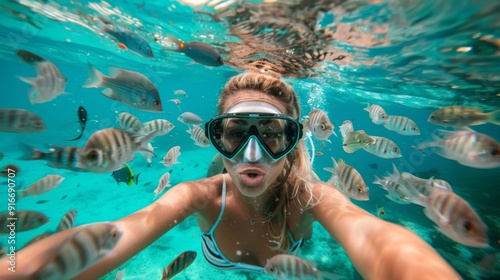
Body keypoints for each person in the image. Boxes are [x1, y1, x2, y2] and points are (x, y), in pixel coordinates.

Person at [4, 72, 460, 279]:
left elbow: (378, 239)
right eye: (235, 134)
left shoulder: (312, 198)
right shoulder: (197, 196)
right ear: (216, 141)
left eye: (274, 135)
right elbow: (117, 232)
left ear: (292, 141)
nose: (252, 153)